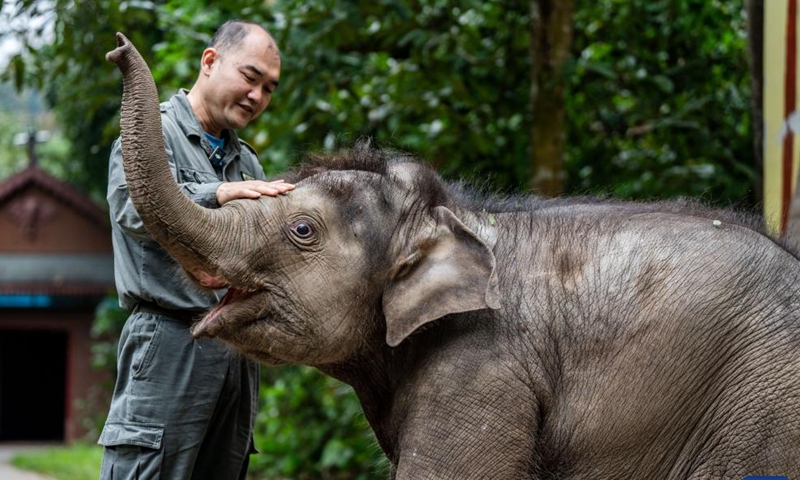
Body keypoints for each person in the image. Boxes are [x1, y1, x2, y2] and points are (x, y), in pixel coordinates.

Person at [99, 20, 294, 479]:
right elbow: (132, 208)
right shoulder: (152, 133)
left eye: (269, 88)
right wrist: (217, 195)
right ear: (210, 61)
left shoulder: (247, 162)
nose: (257, 96)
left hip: (233, 351)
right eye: (250, 77)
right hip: (169, 338)